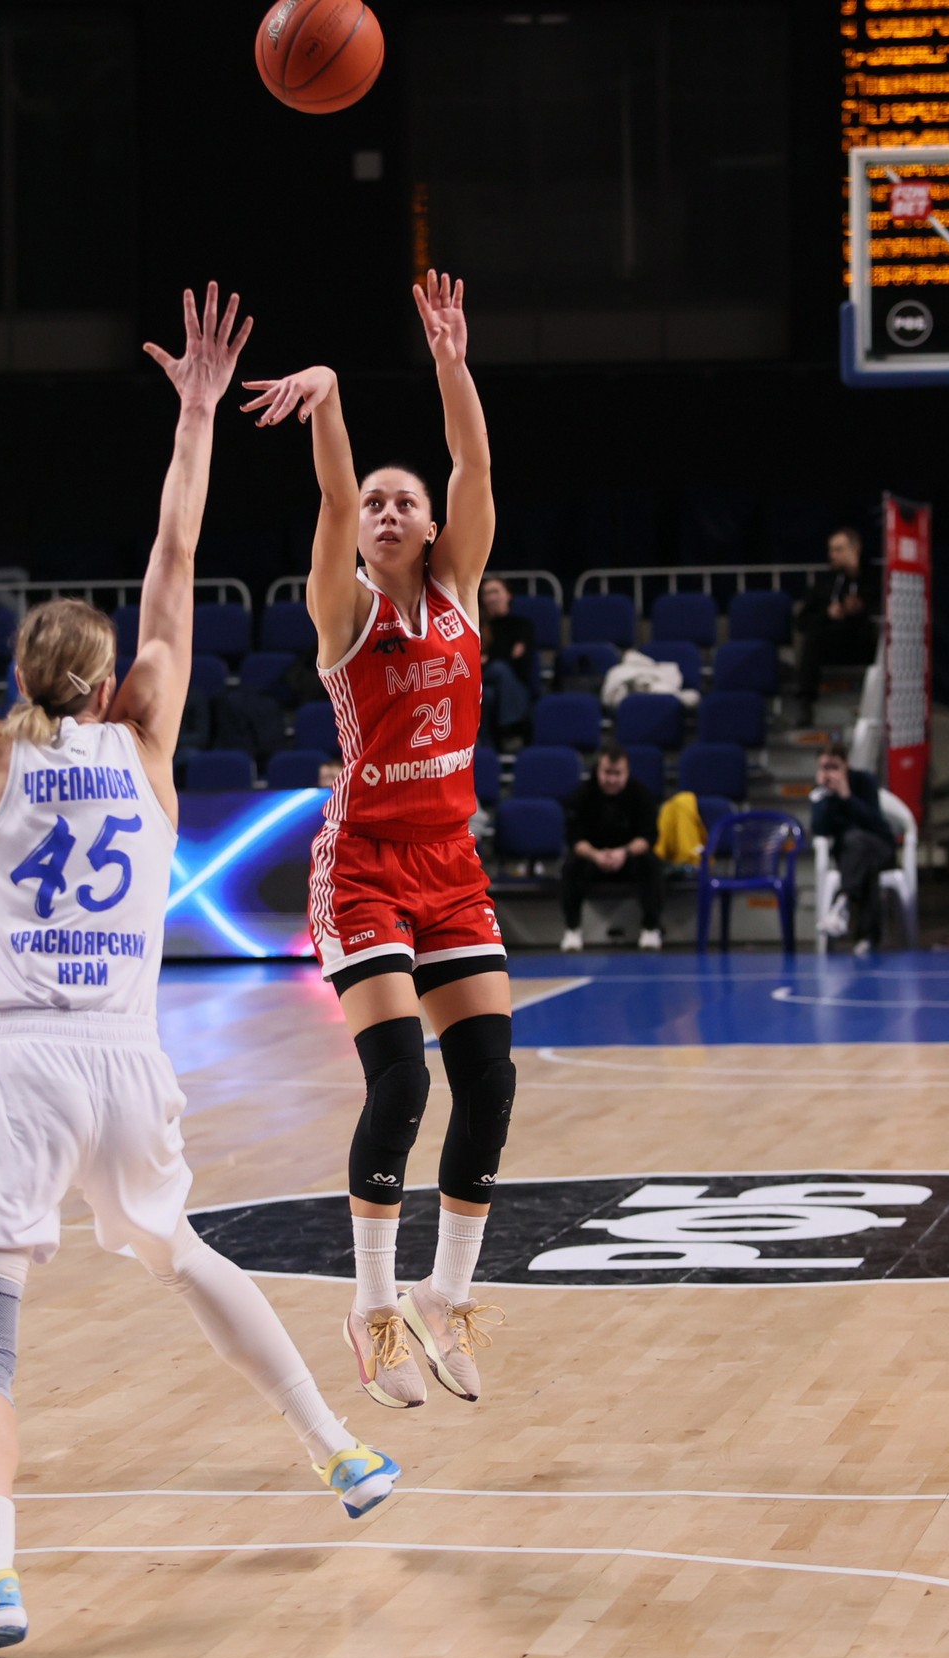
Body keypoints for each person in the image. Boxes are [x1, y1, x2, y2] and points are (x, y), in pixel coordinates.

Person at [0, 295, 397, 1658]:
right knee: (175, 1246)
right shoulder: (148, 743)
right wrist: (196, 415)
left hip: (21, 1056)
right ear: (111, 683)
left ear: (22, 678)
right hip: (129, 1055)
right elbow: (175, 551)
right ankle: (340, 1444)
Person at [243, 269, 512, 1412]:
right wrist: (331, 400)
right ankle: (371, 1304)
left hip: (449, 862)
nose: (389, 511)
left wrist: (451, 361)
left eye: (407, 501)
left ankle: (447, 1293)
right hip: (361, 866)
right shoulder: (343, 609)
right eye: (377, 503)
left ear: (433, 525)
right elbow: (330, 492)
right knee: (400, 1077)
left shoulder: (458, 588)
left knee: (489, 1080)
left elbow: (473, 463)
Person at [559, 744, 664, 952]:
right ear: (598, 770)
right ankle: (572, 930)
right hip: (593, 860)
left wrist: (623, 852)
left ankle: (651, 929)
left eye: (618, 774)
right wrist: (596, 855)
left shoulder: (641, 794)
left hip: (628, 859)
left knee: (651, 864)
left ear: (627, 772)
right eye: (607, 773)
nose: (612, 779)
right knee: (570, 866)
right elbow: (574, 839)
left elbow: (648, 837)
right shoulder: (582, 794)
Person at [811, 740, 896, 956]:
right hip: (852, 857)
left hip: (880, 847)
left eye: (834, 767)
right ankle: (866, 938)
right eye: (824, 767)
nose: (829, 773)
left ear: (846, 765)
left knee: (858, 841)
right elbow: (819, 829)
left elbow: (875, 824)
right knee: (864, 861)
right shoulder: (821, 794)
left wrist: (847, 795)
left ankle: (842, 903)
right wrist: (824, 797)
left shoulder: (864, 781)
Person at [791, 527, 877, 703]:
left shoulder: (872, 577)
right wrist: (828, 614)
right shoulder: (824, 582)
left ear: (855, 549)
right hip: (831, 643)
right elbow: (802, 621)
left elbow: (878, 604)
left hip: (862, 641)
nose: (832, 555)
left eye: (839, 550)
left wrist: (859, 606)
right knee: (814, 634)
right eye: (831, 550)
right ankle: (806, 701)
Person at [478, 574, 535, 745]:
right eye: (487, 593)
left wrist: (490, 657)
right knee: (500, 669)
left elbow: (521, 659)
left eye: (495, 592)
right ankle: (511, 727)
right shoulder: (479, 625)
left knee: (489, 696)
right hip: (483, 677)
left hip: (512, 681)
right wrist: (505, 655)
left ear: (508, 595)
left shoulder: (522, 624)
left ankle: (490, 747)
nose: (491, 598)